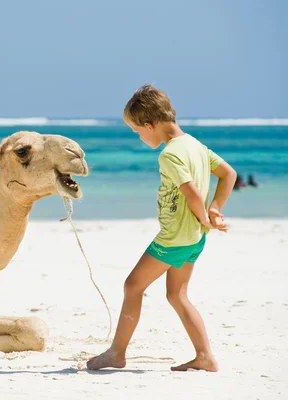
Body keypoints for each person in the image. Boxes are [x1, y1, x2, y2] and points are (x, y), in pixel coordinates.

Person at [86, 84, 237, 372]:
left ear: (149, 124)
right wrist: (216, 208)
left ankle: (117, 353)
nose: (139, 137)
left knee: (132, 286)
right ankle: (204, 356)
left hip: (174, 239)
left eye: (137, 131)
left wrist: (206, 216)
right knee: (177, 295)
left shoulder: (169, 155)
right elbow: (229, 174)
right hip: (194, 239)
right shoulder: (194, 144)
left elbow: (191, 192)